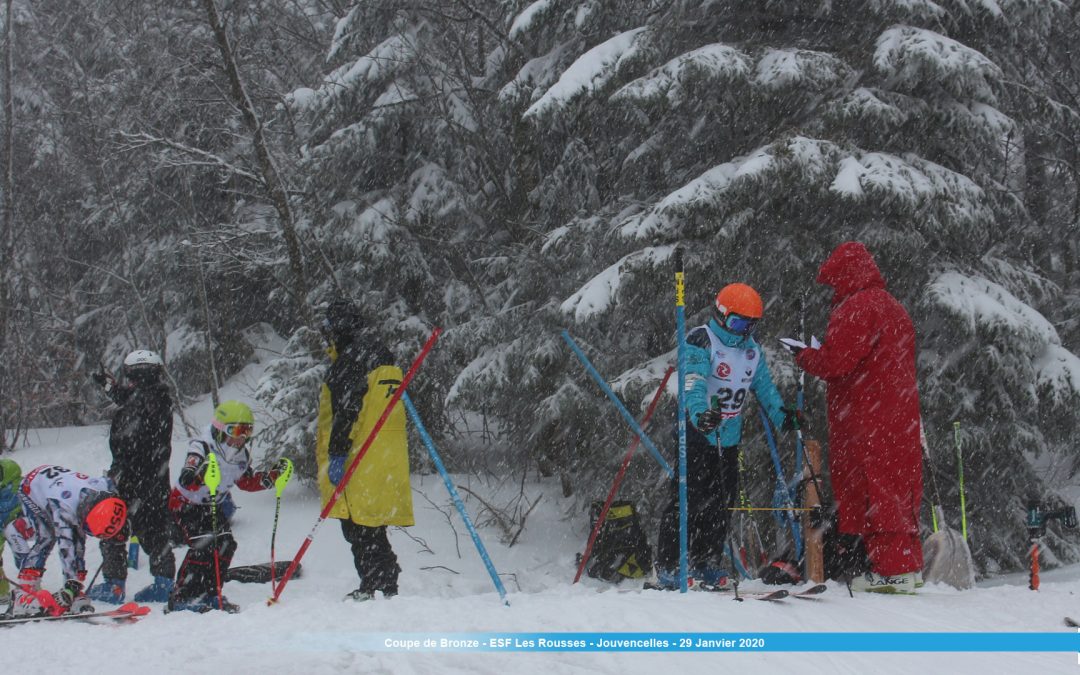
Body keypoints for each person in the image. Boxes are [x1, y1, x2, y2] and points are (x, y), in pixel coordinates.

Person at [786, 241, 923, 594]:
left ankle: (891, 572)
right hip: (897, 415)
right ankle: (906, 565)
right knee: (896, 486)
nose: (833, 290)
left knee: (873, 488)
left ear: (845, 276)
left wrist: (804, 355)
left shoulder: (857, 308)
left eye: (834, 282)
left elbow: (836, 362)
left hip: (866, 417)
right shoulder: (893, 306)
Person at [654, 283, 800, 589]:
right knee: (687, 501)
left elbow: (764, 388)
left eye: (750, 325)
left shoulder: (752, 350)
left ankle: (705, 561)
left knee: (720, 504)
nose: (743, 331)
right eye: (738, 323)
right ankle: (669, 564)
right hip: (697, 434)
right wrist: (700, 415)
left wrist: (782, 416)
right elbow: (693, 383)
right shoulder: (701, 340)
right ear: (721, 315)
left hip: (729, 439)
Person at [315, 300, 413, 601]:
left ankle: (376, 584)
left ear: (337, 330)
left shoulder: (349, 362)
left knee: (358, 526)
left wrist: (337, 452)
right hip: (386, 455)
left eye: (328, 331)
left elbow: (347, 412)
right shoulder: (382, 358)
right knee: (371, 523)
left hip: (359, 456)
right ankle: (384, 580)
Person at [167, 400, 289, 613]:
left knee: (226, 544)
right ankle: (182, 596)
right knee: (204, 544)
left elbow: (246, 482)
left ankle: (211, 592)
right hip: (186, 504)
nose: (241, 437)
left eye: (247, 431)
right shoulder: (202, 446)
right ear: (221, 429)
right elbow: (188, 476)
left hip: (212, 505)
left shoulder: (241, 454)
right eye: (237, 431)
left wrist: (269, 478)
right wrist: (198, 474)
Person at [88, 349, 177, 604]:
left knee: (113, 526)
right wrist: (109, 387)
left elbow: (128, 441)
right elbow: (132, 398)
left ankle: (114, 586)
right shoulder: (160, 398)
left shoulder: (138, 406)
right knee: (155, 530)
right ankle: (164, 583)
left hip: (131, 479)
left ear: (132, 375)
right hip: (156, 479)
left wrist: (118, 473)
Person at [6, 464, 127, 617]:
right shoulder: (63, 510)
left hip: (59, 485)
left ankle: (72, 590)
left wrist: (122, 524)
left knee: (78, 537)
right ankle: (24, 592)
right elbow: (66, 547)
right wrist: (72, 585)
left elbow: (113, 486)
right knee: (46, 537)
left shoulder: (104, 490)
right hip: (32, 488)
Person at [0, 459, 26, 602]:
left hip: (19, 526)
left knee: (23, 556)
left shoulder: (20, 486)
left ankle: (30, 586)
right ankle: (1, 591)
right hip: (6, 525)